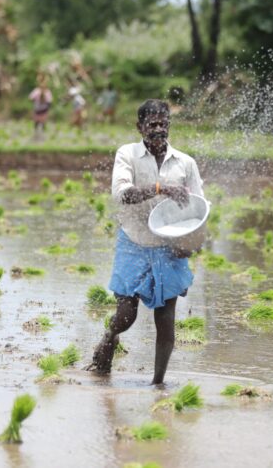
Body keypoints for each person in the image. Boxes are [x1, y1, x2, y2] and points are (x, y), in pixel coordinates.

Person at [87, 99, 204, 385]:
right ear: (139, 127)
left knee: (165, 321)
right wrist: (160, 188)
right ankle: (109, 337)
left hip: (169, 247)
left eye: (163, 123)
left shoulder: (185, 163)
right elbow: (122, 194)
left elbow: (199, 208)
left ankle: (158, 383)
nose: (158, 129)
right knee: (126, 316)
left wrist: (193, 242)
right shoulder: (127, 154)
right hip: (134, 241)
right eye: (152, 124)